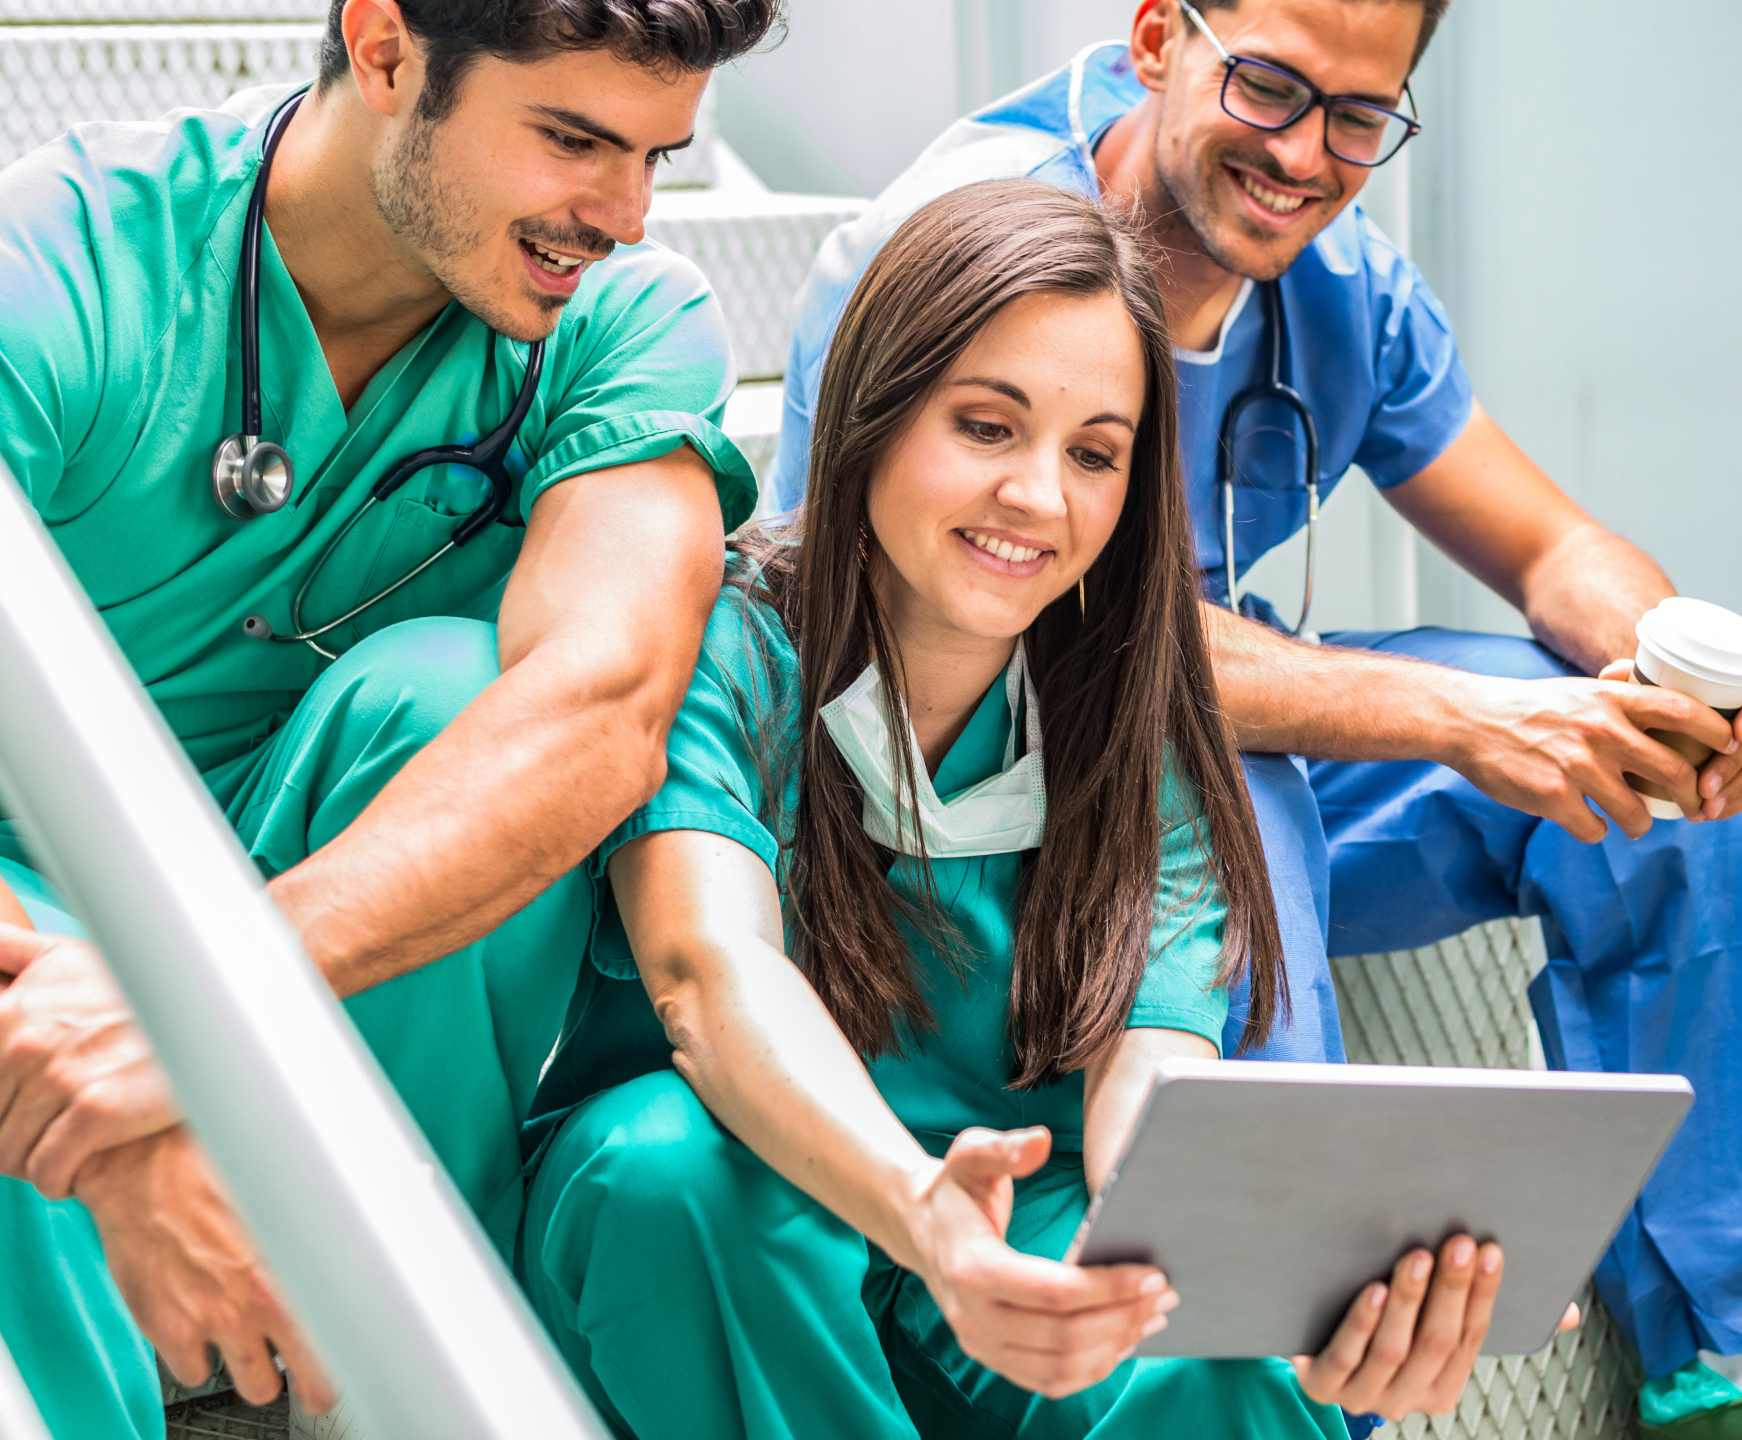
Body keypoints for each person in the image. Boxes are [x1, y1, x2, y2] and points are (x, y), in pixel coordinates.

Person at [767, 0, 1742, 1437]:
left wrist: (1668, 672)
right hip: (984, 817)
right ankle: (1300, 1385)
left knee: (1624, 781)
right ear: (1161, 43)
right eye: (1271, 89)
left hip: (1224, 759)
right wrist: (1439, 717)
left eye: (1362, 117)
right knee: (1257, 776)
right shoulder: (957, 254)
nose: (1306, 153)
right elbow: (1002, 631)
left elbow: (1554, 544)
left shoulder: (1339, 283)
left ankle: (1740, 1355)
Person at [0, 0, 777, 1437]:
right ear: (383, 49)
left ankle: (377, 1362)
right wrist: (124, 1084)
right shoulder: (59, 273)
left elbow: (601, 712)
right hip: (19, 909)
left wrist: (200, 1000)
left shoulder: (623, 315)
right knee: (20, 1046)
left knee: (443, 688)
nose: (618, 216)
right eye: (574, 138)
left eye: (660, 157)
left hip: (307, 927)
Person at [517, 176, 1550, 1440]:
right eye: (987, 426)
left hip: (1012, 1229)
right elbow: (705, 970)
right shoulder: (716, 646)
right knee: (663, 1165)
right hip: (745, 1229)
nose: (1040, 498)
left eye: (1094, 453)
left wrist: (1300, 1284)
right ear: (874, 411)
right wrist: (920, 1210)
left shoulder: (1132, 719)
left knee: (1212, 1356)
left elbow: (1148, 1082)